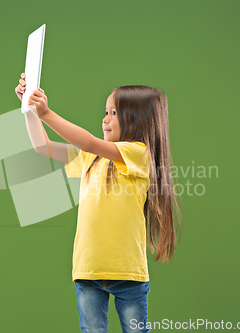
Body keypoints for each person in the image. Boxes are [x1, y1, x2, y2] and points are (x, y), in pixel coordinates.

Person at [15, 73, 182, 333]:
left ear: (136, 118)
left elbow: (90, 142)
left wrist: (46, 113)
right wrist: (29, 108)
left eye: (114, 113)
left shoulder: (138, 154)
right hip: (88, 269)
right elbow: (42, 146)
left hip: (128, 273)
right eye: (106, 111)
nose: (105, 118)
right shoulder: (90, 158)